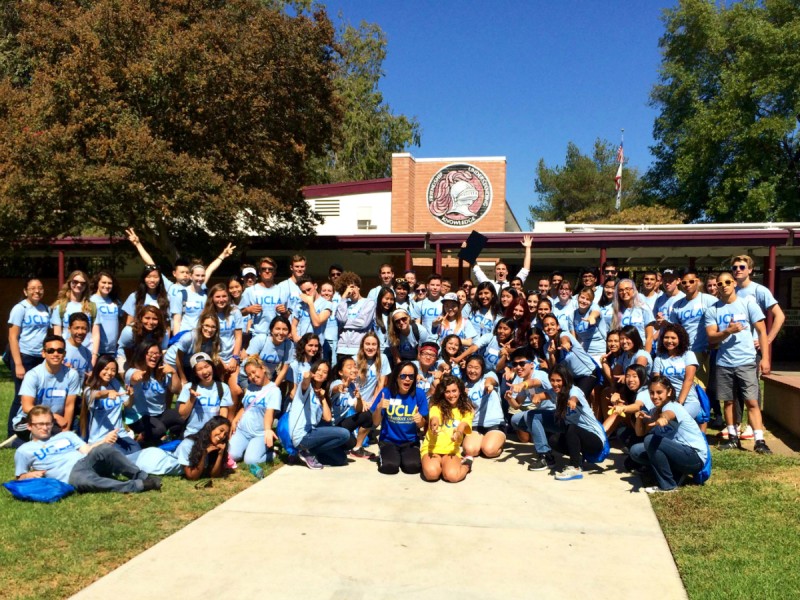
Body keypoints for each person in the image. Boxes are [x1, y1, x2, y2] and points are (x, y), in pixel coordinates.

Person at [15, 405, 161, 493]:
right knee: (85, 480)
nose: (44, 427)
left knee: (104, 448)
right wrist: (28, 475)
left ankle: (141, 476)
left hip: (86, 461)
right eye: (39, 424)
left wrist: (104, 442)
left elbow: (87, 450)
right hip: (70, 475)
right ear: (29, 426)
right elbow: (19, 478)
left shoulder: (65, 435)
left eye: (48, 423)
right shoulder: (24, 450)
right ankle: (139, 486)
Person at [704, 272, 772, 453]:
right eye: (720, 283)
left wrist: (765, 358)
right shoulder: (713, 310)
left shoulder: (748, 304)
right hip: (724, 362)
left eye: (727, 282)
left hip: (747, 361)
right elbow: (711, 337)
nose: (724, 285)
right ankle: (733, 437)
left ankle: (759, 440)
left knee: (752, 401)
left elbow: (762, 332)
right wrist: (728, 331)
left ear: (734, 283)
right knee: (728, 401)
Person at [630, 376, 710, 493]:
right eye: (652, 393)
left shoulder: (672, 406)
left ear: (669, 392)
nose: (655, 396)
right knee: (635, 451)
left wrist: (664, 418)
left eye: (659, 392)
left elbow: (669, 414)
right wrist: (638, 419)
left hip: (694, 457)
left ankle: (668, 485)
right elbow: (639, 433)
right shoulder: (654, 410)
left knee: (650, 440)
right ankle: (674, 472)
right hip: (678, 452)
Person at [12, 334, 82, 441]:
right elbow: (27, 407)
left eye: (60, 351)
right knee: (49, 437)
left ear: (64, 354)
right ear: (43, 353)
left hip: (56, 421)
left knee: (77, 432)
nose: (56, 354)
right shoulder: (33, 375)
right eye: (51, 351)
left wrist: (66, 430)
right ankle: (19, 441)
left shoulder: (72, 375)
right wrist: (54, 416)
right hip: (29, 420)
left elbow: (69, 405)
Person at [6, 277, 50, 438]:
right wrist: (18, 363)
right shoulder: (20, 308)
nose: (36, 291)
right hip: (24, 357)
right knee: (21, 395)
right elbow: (12, 337)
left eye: (40, 287)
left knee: (37, 395)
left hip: (40, 357)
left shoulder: (45, 308)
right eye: (32, 288)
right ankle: (12, 433)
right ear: (25, 291)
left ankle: (32, 429)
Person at [547, 365, 608, 481]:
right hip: (578, 438)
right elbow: (541, 394)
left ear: (566, 380)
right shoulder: (557, 393)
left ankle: (574, 468)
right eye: (552, 380)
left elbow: (574, 397)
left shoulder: (574, 390)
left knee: (572, 428)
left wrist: (573, 401)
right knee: (553, 440)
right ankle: (578, 459)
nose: (555, 384)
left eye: (559, 380)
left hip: (595, 439)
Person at [286, 360, 351, 469]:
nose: (321, 373)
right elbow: (305, 384)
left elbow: (328, 418)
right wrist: (307, 377)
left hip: (312, 434)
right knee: (345, 434)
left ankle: (308, 453)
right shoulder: (307, 389)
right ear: (313, 371)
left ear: (327, 377)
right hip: (302, 435)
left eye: (325, 372)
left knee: (341, 459)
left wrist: (323, 398)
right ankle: (304, 451)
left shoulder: (320, 394)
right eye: (318, 370)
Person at [371, 361, 428, 475]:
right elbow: (376, 423)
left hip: (410, 441)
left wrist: (420, 420)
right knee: (389, 468)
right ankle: (388, 455)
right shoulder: (386, 392)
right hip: (389, 441)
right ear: (396, 377)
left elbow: (422, 425)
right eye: (403, 376)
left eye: (411, 376)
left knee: (412, 468)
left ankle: (404, 457)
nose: (407, 379)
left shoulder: (419, 394)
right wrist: (378, 408)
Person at [125, 341, 183, 446]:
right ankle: (140, 439)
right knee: (159, 429)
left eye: (157, 354)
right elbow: (133, 377)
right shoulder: (133, 370)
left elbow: (177, 390)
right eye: (150, 353)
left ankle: (163, 439)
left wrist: (173, 373)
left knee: (181, 419)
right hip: (139, 417)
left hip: (158, 414)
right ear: (143, 354)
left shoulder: (162, 371)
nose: (154, 356)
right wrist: (136, 376)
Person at [228, 356, 280, 469]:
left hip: (259, 434)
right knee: (232, 455)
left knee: (250, 460)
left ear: (262, 369)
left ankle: (272, 453)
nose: (252, 377)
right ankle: (248, 447)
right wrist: (235, 420)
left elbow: (269, 413)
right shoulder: (250, 387)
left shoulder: (274, 391)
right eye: (249, 375)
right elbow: (245, 407)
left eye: (254, 372)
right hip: (243, 431)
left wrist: (267, 430)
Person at [80, 356, 140, 455]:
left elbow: (127, 404)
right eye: (106, 369)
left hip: (120, 434)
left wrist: (131, 395)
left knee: (137, 451)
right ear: (98, 368)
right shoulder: (89, 389)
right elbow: (97, 395)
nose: (109, 373)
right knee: (122, 457)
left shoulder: (114, 383)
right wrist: (107, 393)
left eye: (113, 370)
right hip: (102, 438)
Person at [421, 374, 474, 483]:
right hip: (431, 449)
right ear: (443, 393)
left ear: (460, 391)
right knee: (432, 474)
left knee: (452, 477)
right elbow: (434, 418)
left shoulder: (466, 410)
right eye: (447, 392)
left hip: (451, 451)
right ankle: (438, 466)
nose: (451, 395)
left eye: (454, 391)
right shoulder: (436, 407)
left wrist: (458, 433)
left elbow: (463, 425)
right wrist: (434, 425)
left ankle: (467, 465)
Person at [653, 323, 702, 421]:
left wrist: (679, 403)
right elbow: (656, 383)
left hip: (688, 400)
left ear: (680, 339)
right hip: (666, 401)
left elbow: (688, 380)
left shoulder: (688, 355)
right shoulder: (659, 358)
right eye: (666, 337)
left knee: (677, 416)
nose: (669, 341)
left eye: (673, 338)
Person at [176, 352, 233, 437]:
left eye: (207, 366)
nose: (205, 371)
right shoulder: (189, 387)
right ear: (195, 373)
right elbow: (182, 415)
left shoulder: (223, 387)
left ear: (212, 367)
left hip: (213, 435)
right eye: (199, 369)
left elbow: (223, 414)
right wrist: (192, 398)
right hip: (192, 434)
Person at [330, 357, 375, 459]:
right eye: (349, 367)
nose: (354, 369)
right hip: (329, 425)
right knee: (349, 443)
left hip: (341, 423)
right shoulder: (336, 382)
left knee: (367, 415)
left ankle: (357, 449)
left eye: (355, 366)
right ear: (341, 372)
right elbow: (335, 389)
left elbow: (359, 410)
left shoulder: (352, 387)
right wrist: (341, 386)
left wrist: (359, 399)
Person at [461, 355, 505, 459]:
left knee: (489, 451)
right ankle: (482, 441)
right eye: (470, 367)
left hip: (495, 423)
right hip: (475, 424)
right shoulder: (463, 385)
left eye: (476, 368)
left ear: (482, 369)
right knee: (470, 451)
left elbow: (490, 381)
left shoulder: (489, 375)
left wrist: (488, 385)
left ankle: (497, 442)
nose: (472, 371)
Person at [50, 270, 100, 352]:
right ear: (69, 283)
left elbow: (96, 334)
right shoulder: (60, 307)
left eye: (83, 283)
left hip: (88, 352)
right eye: (75, 282)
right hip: (67, 352)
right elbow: (57, 334)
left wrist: (94, 355)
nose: (79, 285)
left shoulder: (92, 307)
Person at [239, 256, 286, 337]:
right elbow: (239, 312)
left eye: (270, 269)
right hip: (257, 334)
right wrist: (249, 309)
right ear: (259, 272)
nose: (267, 271)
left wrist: (285, 311)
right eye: (263, 269)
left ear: (274, 272)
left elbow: (289, 314)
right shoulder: (250, 291)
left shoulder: (282, 290)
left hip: (277, 335)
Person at [335, 271, 376, 361]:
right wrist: (343, 299)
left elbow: (362, 323)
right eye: (347, 289)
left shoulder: (369, 302)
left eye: (353, 287)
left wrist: (344, 325)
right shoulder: (343, 304)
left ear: (358, 287)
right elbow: (341, 319)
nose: (351, 291)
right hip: (342, 348)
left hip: (359, 349)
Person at [176, 416, 232, 481]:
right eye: (221, 430)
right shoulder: (188, 444)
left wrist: (220, 454)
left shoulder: (212, 446)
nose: (222, 436)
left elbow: (214, 475)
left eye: (225, 434)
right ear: (211, 427)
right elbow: (192, 477)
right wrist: (204, 454)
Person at [116, 305, 168, 372]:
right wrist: (134, 369)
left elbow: (163, 351)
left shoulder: (163, 332)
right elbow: (127, 350)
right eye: (147, 318)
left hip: (150, 356)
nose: (151, 322)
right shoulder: (129, 331)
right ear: (141, 318)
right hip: (127, 356)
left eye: (155, 319)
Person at [612, 278, 655, 351]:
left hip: (641, 349)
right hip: (624, 351)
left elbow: (650, 336)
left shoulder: (644, 308)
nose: (624, 292)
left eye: (627, 289)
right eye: (621, 290)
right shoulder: (616, 310)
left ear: (634, 290)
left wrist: (646, 355)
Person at [89, 271, 123, 360]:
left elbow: (120, 323)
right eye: (104, 282)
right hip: (95, 350)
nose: (107, 286)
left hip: (113, 350)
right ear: (97, 283)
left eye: (110, 283)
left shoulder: (116, 302)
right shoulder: (90, 301)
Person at [63, 313, 93, 384]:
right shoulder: (60, 348)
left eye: (84, 329)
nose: (80, 332)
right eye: (77, 328)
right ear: (69, 329)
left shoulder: (87, 353)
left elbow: (88, 376)